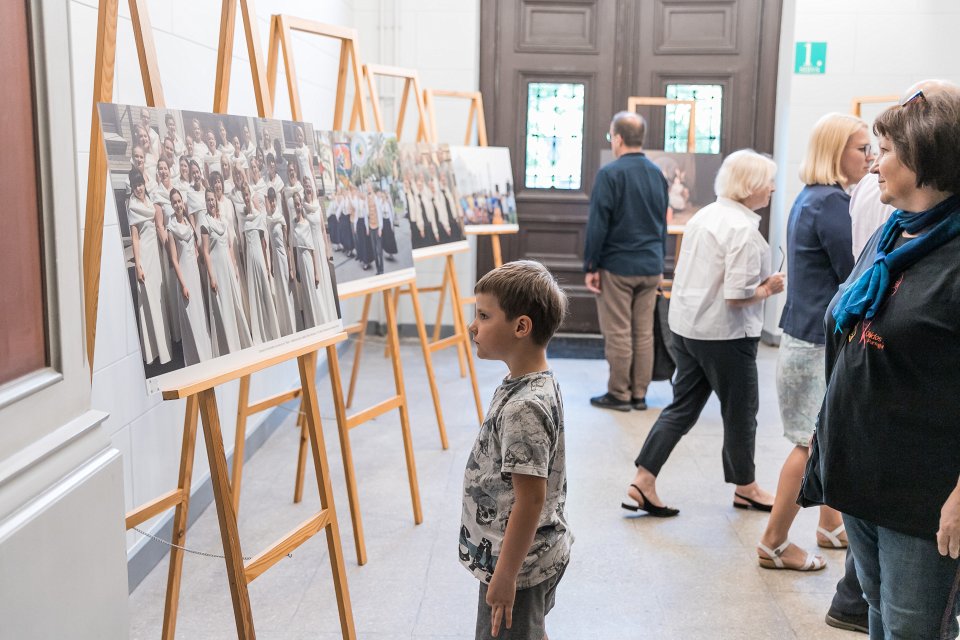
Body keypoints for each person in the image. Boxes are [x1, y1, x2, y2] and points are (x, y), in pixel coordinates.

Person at [800, 91, 960, 640]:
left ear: (924, 159)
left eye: (885, 148)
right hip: (861, 470)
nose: (873, 160)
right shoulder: (892, 234)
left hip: (923, 491)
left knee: (913, 627)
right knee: (876, 609)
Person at [623, 150, 783, 517]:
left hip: (688, 329)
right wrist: (769, 287)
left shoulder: (704, 216)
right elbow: (738, 295)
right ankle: (747, 487)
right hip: (726, 336)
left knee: (682, 407)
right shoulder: (743, 229)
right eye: (768, 182)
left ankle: (643, 479)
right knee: (742, 412)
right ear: (751, 186)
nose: (773, 188)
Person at [756, 113, 873, 574]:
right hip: (812, 344)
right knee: (808, 445)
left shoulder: (817, 198)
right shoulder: (828, 203)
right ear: (834, 152)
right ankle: (773, 542)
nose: (870, 157)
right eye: (861, 148)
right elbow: (855, 273)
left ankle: (828, 524)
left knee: (822, 440)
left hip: (806, 338)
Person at [462, 260, 572, 640]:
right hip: (524, 554)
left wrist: (505, 576)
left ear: (521, 327)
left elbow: (530, 499)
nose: (472, 326)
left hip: (519, 566)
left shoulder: (524, 406)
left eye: (484, 315)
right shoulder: (528, 381)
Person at [584, 112, 669, 412]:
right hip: (650, 265)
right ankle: (639, 395)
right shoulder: (657, 174)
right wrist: (661, 262)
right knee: (643, 332)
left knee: (618, 332)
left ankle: (619, 393)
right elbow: (662, 223)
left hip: (618, 266)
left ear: (618, 139)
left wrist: (591, 266)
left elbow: (598, 225)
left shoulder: (610, 174)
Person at [127, 169, 172, 365]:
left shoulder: (149, 201)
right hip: (145, 257)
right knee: (150, 300)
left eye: (140, 184)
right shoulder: (133, 207)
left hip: (156, 255)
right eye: (135, 185)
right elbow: (135, 238)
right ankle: (156, 350)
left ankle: (166, 345)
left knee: (161, 299)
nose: (139, 188)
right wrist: (138, 265)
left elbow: (159, 225)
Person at [200, 188, 252, 356]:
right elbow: (206, 252)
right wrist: (211, 276)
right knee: (222, 307)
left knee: (233, 302)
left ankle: (240, 341)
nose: (210, 202)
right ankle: (227, 346)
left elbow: (230, 245)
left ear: (216, 200)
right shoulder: (205, 223)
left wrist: (234, 266)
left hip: (228, 267)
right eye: (207, 200)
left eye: (212, 199)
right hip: (216, 270)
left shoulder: (223, 220)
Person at [165, 188, 212, 366]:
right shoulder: (171, 229)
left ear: (183, 202)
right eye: (174, 202)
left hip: (194, 273)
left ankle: (206, 354)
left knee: (200, 313)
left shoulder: (188, 223)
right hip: (185, 276)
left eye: (179, 201)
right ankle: (195, 358)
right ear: (171, 205)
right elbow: (175, 260)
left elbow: (194, 248)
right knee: (191, 315)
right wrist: (183, 284)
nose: (178, 205)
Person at [241, 186, 281, 344]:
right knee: (255, 294)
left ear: (251, 195)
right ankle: (260, 332)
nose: (246, 197)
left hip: (259, 257)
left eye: (247, 194)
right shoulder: (245, 218)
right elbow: (244, 245)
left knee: (264, 292)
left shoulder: (258, 217)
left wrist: (266, 264)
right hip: (250, 260)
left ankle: (272, 329)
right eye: (243, 195)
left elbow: (264, 243)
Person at [265, 188, 297, 336]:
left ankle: (292, 327)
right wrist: (270, 263)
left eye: (273, 199)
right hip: (275, 261)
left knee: (287, 290)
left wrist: (290, 267)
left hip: (283, 257)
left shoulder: (280, 218)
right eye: (269, 199)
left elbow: (287, 245)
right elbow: (270, 244)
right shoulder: (269, 219)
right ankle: (284, 327)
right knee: (279, 291)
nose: (271, 202)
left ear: (276, 200)